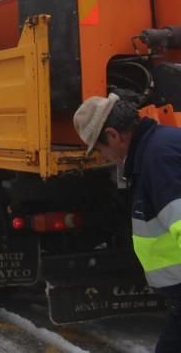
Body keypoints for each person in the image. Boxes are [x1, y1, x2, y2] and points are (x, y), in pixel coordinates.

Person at [74, 93, 181, 353]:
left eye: (100, 149)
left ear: (113, 135)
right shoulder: (153, 150)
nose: (104, 157)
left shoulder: (157, 158)